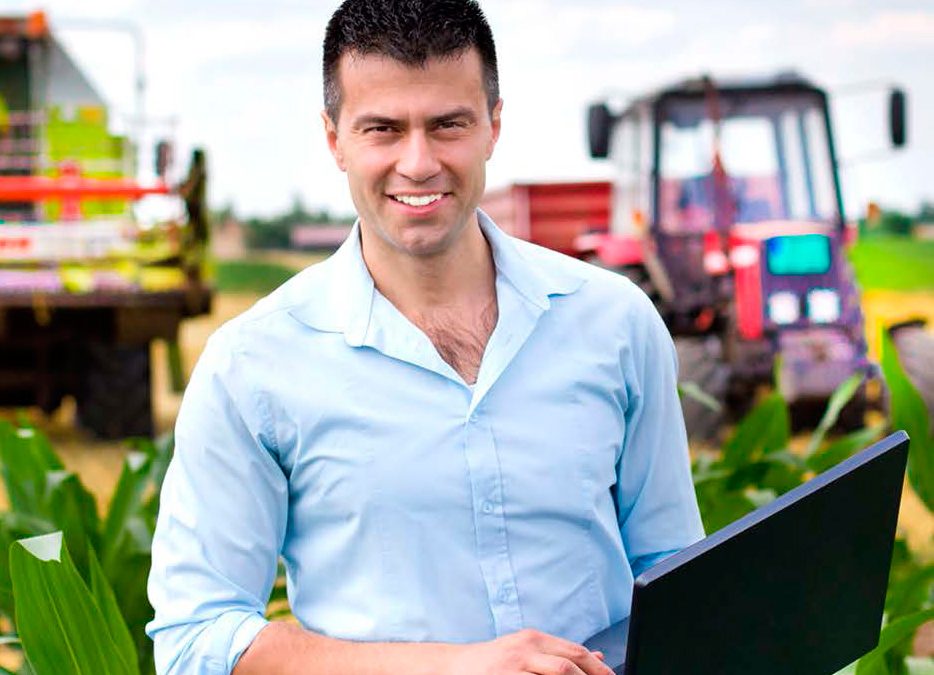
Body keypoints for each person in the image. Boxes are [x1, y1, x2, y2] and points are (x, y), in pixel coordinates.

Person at [146, 1, 704, 673]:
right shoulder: (252, 366)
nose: (418, 162)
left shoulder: (616, 323)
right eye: (383, 129)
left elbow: (676, 578)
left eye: (448, 125)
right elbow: (196, 636)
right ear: (335, 140)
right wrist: (453, 665)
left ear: (494, 125)